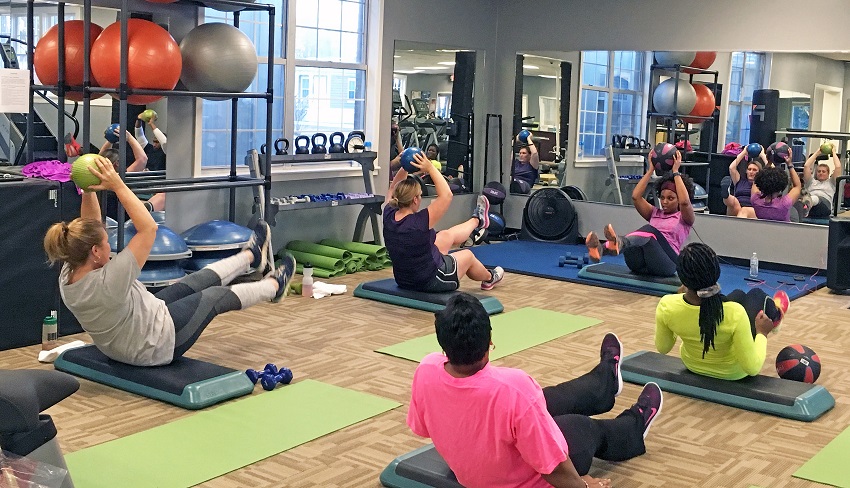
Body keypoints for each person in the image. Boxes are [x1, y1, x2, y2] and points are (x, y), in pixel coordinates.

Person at [43, 155, 296, 367]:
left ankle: (251, 256)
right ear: (97, 252)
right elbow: (148, 229)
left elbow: (92, 227)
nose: (110, 242)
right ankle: (274, 286)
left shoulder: (70, 269)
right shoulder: (109, 281)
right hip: (153, 346)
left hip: (127, 335)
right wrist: (118, 185)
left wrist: (88, 188)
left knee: (196, 280)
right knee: (215, 296)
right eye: (106, 241)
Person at [408, 292, 664, 488]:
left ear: (443, 344)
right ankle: (635, 424)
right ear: (489, 341)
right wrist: (584, 485)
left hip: (481, 462)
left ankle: (605, 381)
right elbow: (551, 467)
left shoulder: (427, 368)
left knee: (544, 399)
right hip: (523, 482)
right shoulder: (513, 387)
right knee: (583, 427)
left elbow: (422, 428)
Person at [655, 243, 786, 380]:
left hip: (692, 365)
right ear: (716, 273)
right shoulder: (735, 313)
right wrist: (762, 333)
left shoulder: (666, 305)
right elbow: (752, 368)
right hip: (733, 372)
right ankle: (776, 316)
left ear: (682, 279)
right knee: (756, 294)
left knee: (738, 294)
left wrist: (677, 321)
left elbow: (663, 348)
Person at [383, 151, 503, 292]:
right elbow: (446, 195)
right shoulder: (419, 222)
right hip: (432, 280)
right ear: (415, 199)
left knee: (445, 235)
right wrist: (430, 167)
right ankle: (490, 277)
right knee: (468, 256)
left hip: (404, 280)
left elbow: (393, 187)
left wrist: (406, 165)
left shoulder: (389, 213)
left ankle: (477, 220)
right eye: (420, 196)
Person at [586, 151, 696, 277]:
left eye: (670, 198)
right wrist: (650, 171)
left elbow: (685, 203)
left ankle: (614, 245)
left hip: (666, 264)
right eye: (662, 197)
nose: (664, 202)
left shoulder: (685, 218)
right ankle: (599, 250)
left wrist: (676, 172)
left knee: (649, 230)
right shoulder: (655, 213)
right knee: (639, 239)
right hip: (639, 264)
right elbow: (635, 197)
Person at [738, 161, 802, 222]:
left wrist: (769, 162)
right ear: (780, 189)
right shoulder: (784, 204)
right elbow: (797, 186)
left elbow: (756, 181)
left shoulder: (755, 200)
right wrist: (789, 164)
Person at [798, 143, 842, 219]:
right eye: (819, 171)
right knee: (808, 198)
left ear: (828, 174)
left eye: (823, 171)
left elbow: (838, 167)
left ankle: (808, 203)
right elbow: (806, 166)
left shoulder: (831, 183)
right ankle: (806, 205)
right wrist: (817, 152)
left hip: (825, 207)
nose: (821, 173)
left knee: (814, 198)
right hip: (812, 208)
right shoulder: (811, 182)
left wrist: (834, 152)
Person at [720, 148, 764, 216]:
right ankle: (726, 195)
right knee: (734, 201)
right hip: (737, 208)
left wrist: (763, 155)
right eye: (749, 169)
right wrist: (744, 152)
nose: (751, 172)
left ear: (760, 172)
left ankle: (727, 196)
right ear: (746, 171)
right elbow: (732, 168)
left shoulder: (762, 184)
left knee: (744, 210)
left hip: (753, 211)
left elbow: (774, 173)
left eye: (754, 170)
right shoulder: (740, 181)